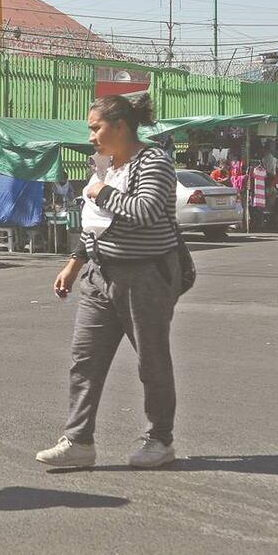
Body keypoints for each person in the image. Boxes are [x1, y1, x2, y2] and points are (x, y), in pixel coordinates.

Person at [39, 94, 183, 470]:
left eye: (96, 128)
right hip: (99, 275)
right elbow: (95, 224)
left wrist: (103, 192)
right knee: (84, 360)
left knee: (151, 362)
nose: (91, 137)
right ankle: (78, 441)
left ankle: (160, 439)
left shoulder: (154, 161)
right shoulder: (103, 164)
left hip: (145, 276)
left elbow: (146, 211)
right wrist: (74, 264)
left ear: (120, 127)